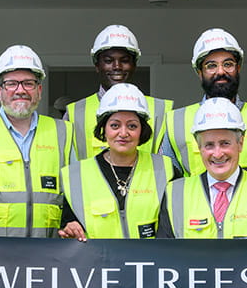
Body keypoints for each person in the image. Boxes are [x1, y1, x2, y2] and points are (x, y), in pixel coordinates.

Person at [0, 44, 73, 237]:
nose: (20, 90)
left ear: (39, 90)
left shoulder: (63, 131)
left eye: (28, 83)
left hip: (48, 253)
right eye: (11, 84)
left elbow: (76, 196)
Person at [162, 28, 247, 184]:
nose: (220, 72)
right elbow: (168, 183)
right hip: (193, 208)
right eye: (211, 66)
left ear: (238, 68)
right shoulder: (177, 122)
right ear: (199, 72)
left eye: (228, 64)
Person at [157, 98, 247, 239]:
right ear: (199, 147)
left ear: (240, 143)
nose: (218, 154)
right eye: (209, 145)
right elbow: (166, 254)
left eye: (225, 143)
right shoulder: (174, 193)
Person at [59, 83, 175, 240]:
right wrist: (70, 228)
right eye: (115, 125)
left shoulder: (166, 170)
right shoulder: (75, 175)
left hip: (151, 261)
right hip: (98, 262)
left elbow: (173, 226)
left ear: (142, 130)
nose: (123, 133)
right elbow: (69, 223)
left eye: (132, 126)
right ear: (103, 129)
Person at [64, 25, 172, 159]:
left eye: (125, 61)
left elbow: (167, 165)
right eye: (108, 61)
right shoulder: (75, 112)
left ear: (134, 65)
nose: (117, 67)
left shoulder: (161, 110)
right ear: (97, 65)